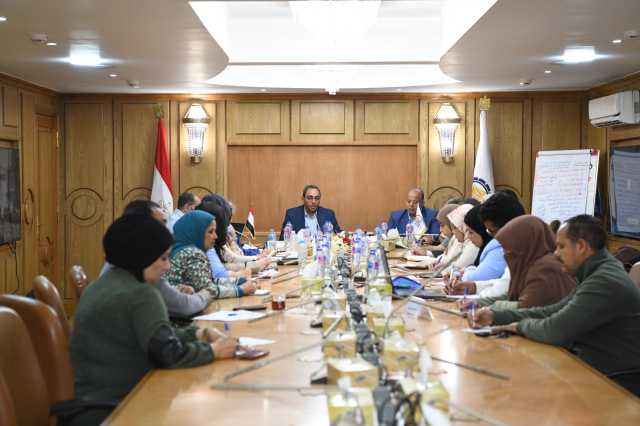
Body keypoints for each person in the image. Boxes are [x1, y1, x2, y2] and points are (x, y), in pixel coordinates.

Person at [70, 215, 239, 425]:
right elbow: (168, 353)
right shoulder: (141, 294)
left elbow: (155, 336)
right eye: (163, 258)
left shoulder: (100, 285)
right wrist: (214, 351)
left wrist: (198, 333)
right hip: (120, 408)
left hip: (88, 406)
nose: (168, 267)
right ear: (143, 257)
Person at [471, 215, 640, 396]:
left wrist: (518, 326)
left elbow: (556, 329)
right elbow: (553, 310)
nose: (556, 253)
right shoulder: (597, 271)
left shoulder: (604, 280)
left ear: (581, 246)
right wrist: (496, 316)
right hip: (593, 369)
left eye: (561, 246)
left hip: (614, 384)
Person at [99, 199, 212, 318]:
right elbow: (184, 306)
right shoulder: (139, 266)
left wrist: (175, 289)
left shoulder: (121, 259)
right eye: (160, 224)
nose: (166, 230)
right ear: (140, 226)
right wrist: (207, 294)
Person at [461, 215, 575, 310]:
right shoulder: (529, 263)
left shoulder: (545, 268)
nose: (506, 255)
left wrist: (489, 309)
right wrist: (478, 301)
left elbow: (524, 307)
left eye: (509, 248)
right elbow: (509, 295)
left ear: (524, 244)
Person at [448, 190, 526, 297]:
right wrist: (474, 287)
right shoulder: (512, 247)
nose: (493, 238)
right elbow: (505, 284)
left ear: (509, 226)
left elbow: (517, 298)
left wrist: (477, 297)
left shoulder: (507, 249)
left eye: (492, 231)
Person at [165, 210, 256, 297]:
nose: (215, 236)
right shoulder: (191, 254)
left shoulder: (187, 250)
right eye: (210, 232)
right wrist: (240, 290)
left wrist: (238, 281)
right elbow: (208, 290)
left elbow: (210, 281)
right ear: (196, 232)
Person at [454, 204, 507, 283]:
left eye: (471, 232)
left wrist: (466, 271)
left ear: (482, 231)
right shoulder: (489, 247)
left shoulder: (498, 250)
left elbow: (476, 278)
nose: (467, 237)